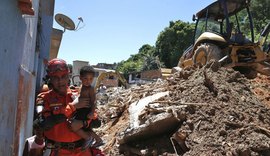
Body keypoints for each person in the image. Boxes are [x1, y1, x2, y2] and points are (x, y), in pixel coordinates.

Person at [35, 58, 95, 156]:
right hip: (57, 151)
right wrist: (73, 106)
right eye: (55, 77)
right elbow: (44, 123)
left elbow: (95, 120)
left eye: (63, 76)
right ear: (50, 78)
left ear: (68, 76)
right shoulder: (44, 98)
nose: (60, 81)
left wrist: (84, 122)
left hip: (82, 151)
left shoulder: (79, 93)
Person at [70, 65, 103, 150]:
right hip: (81, 110)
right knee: (85, 128)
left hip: (85, 112)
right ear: (80, 78)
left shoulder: (90, 88)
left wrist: (92, 112)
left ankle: (88, 138)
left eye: (91, 79)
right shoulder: (82, 87)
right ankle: (98, 140)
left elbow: (94, 101)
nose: (88, 81)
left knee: (73, 126)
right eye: (86, 79)